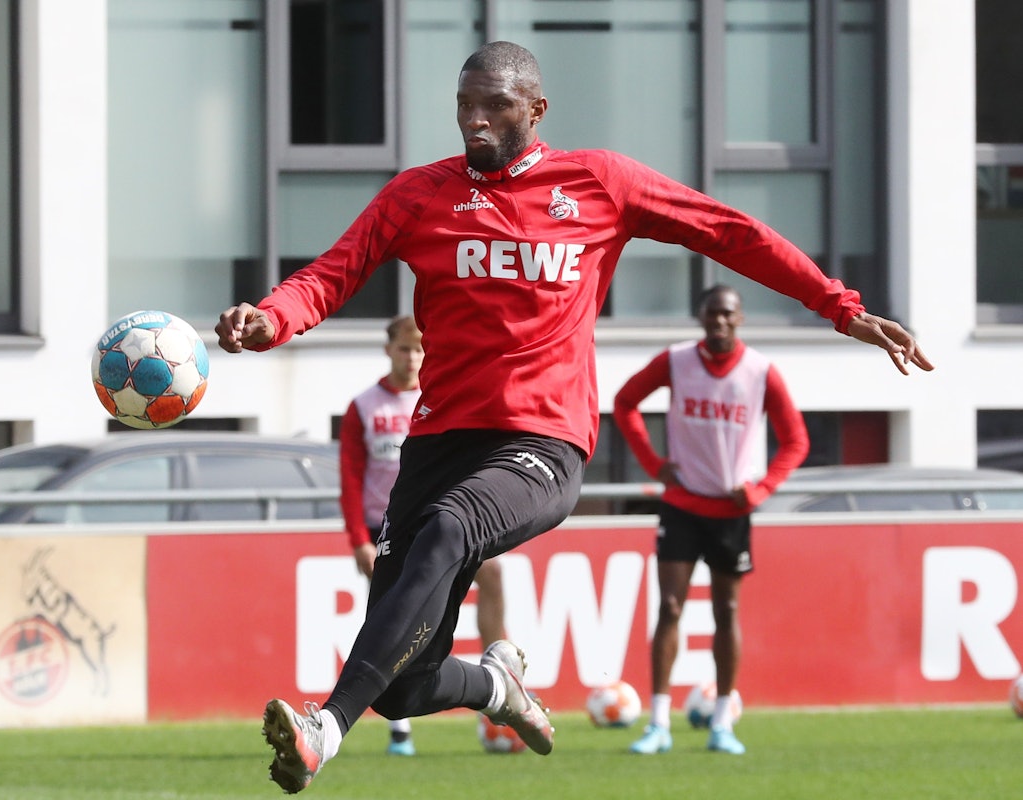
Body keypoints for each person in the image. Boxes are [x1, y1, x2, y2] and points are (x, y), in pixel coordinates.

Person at [214, 41, 933, 793]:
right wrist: (270, 318)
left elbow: (727, 230)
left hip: (542, 442)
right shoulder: (419, 194)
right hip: (438, 442)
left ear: (536, 110)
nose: (476, 120)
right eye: (464, 105)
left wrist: (839, 306)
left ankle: (325, 728)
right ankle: (496, 687)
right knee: (401, 685)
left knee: (451, 527)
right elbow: (331, 274)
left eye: (495, 105)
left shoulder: (598, 183)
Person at [614, 284, 808, 757]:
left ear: (740, 318)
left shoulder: (760, 371)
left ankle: (722, 723)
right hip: (682, 503)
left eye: (727, 313)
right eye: (712, 313)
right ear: (700, 318)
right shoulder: (676, 361)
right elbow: (624, 402)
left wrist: (761, 489)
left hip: (730, 512)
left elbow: (796, 440)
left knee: (727, 611)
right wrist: (653, 462)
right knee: (670, 607)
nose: (719, 321)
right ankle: (659, 723)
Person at [339, 314, 506, 757]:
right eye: (404, 348)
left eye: (419, 349)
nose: (412, 357)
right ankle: (400, 728)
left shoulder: (441, 397)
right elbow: (350, 476)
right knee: (391, 618)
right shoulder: (365, 406)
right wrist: (358, 538)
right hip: (387, 526)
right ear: (388, 350)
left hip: (443, 520)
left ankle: (501, 673)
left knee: (493, 575)